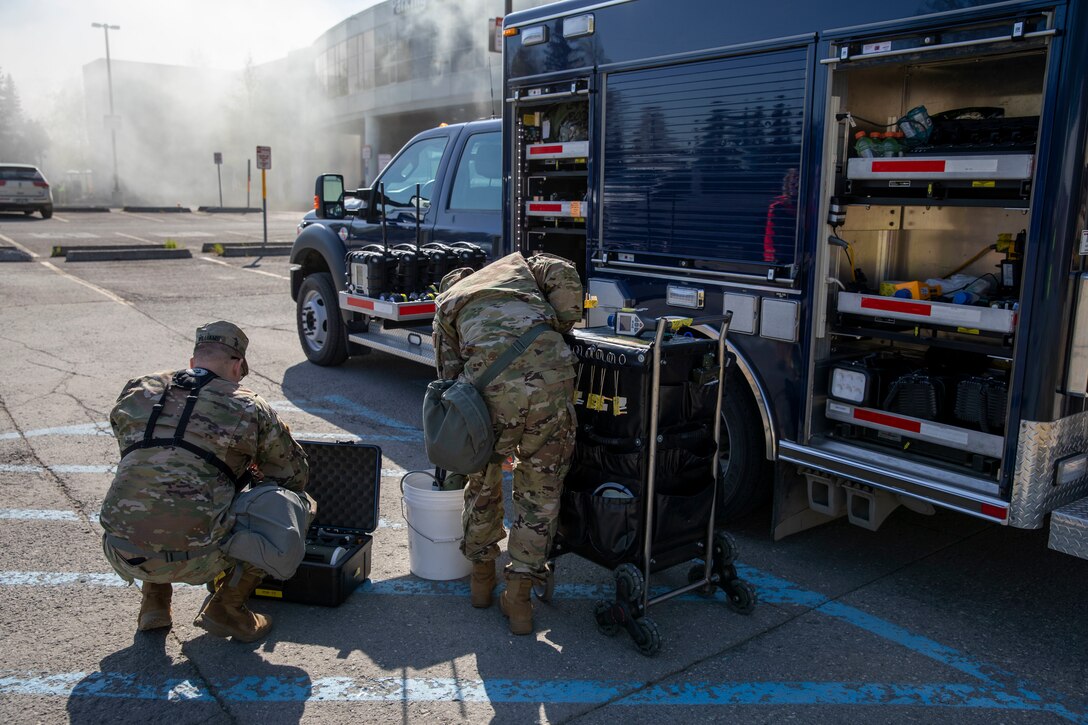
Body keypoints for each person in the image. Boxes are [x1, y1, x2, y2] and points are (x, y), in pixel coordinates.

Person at [100, 321, 309, 642]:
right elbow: (292, 477)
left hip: (122, 552)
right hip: (198, 559)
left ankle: (154, 604)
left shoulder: (138, 389)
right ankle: (227, 607)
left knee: (153, 487)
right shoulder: (249, 406)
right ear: (237, 365)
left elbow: (136, 453)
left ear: (193, 362)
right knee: (294, 504)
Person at [432, 251, 582, 635]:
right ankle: (519, 598)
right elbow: (566, 293)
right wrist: (556, 325)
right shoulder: (522, 268)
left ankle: (482, 578)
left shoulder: (447, 305)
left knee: (482, 480)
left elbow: (449, 381)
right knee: (540, 490)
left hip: (492, 393)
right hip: (553, 376)